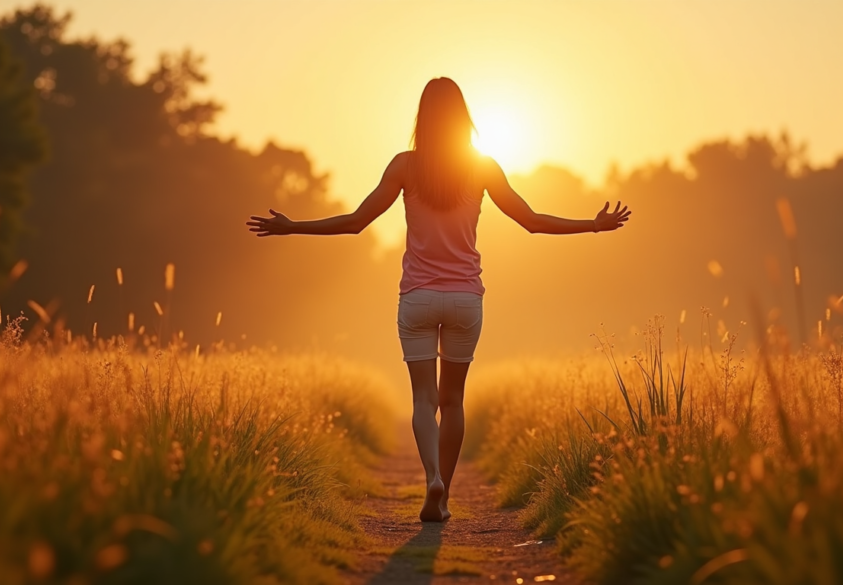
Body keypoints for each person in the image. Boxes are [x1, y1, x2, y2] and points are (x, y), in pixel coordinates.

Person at [246, 77, 631, 522]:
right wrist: (593, 224)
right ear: (463, 117)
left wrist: (293, 226)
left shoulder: (405, 166)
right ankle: (443, 495)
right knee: (453, 400)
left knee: (423, 400)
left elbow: (355, 222)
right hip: (466, 299)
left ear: (422, 118)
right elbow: (532, 221)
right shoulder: (483, 167)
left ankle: (431, 477)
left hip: (418, 299)